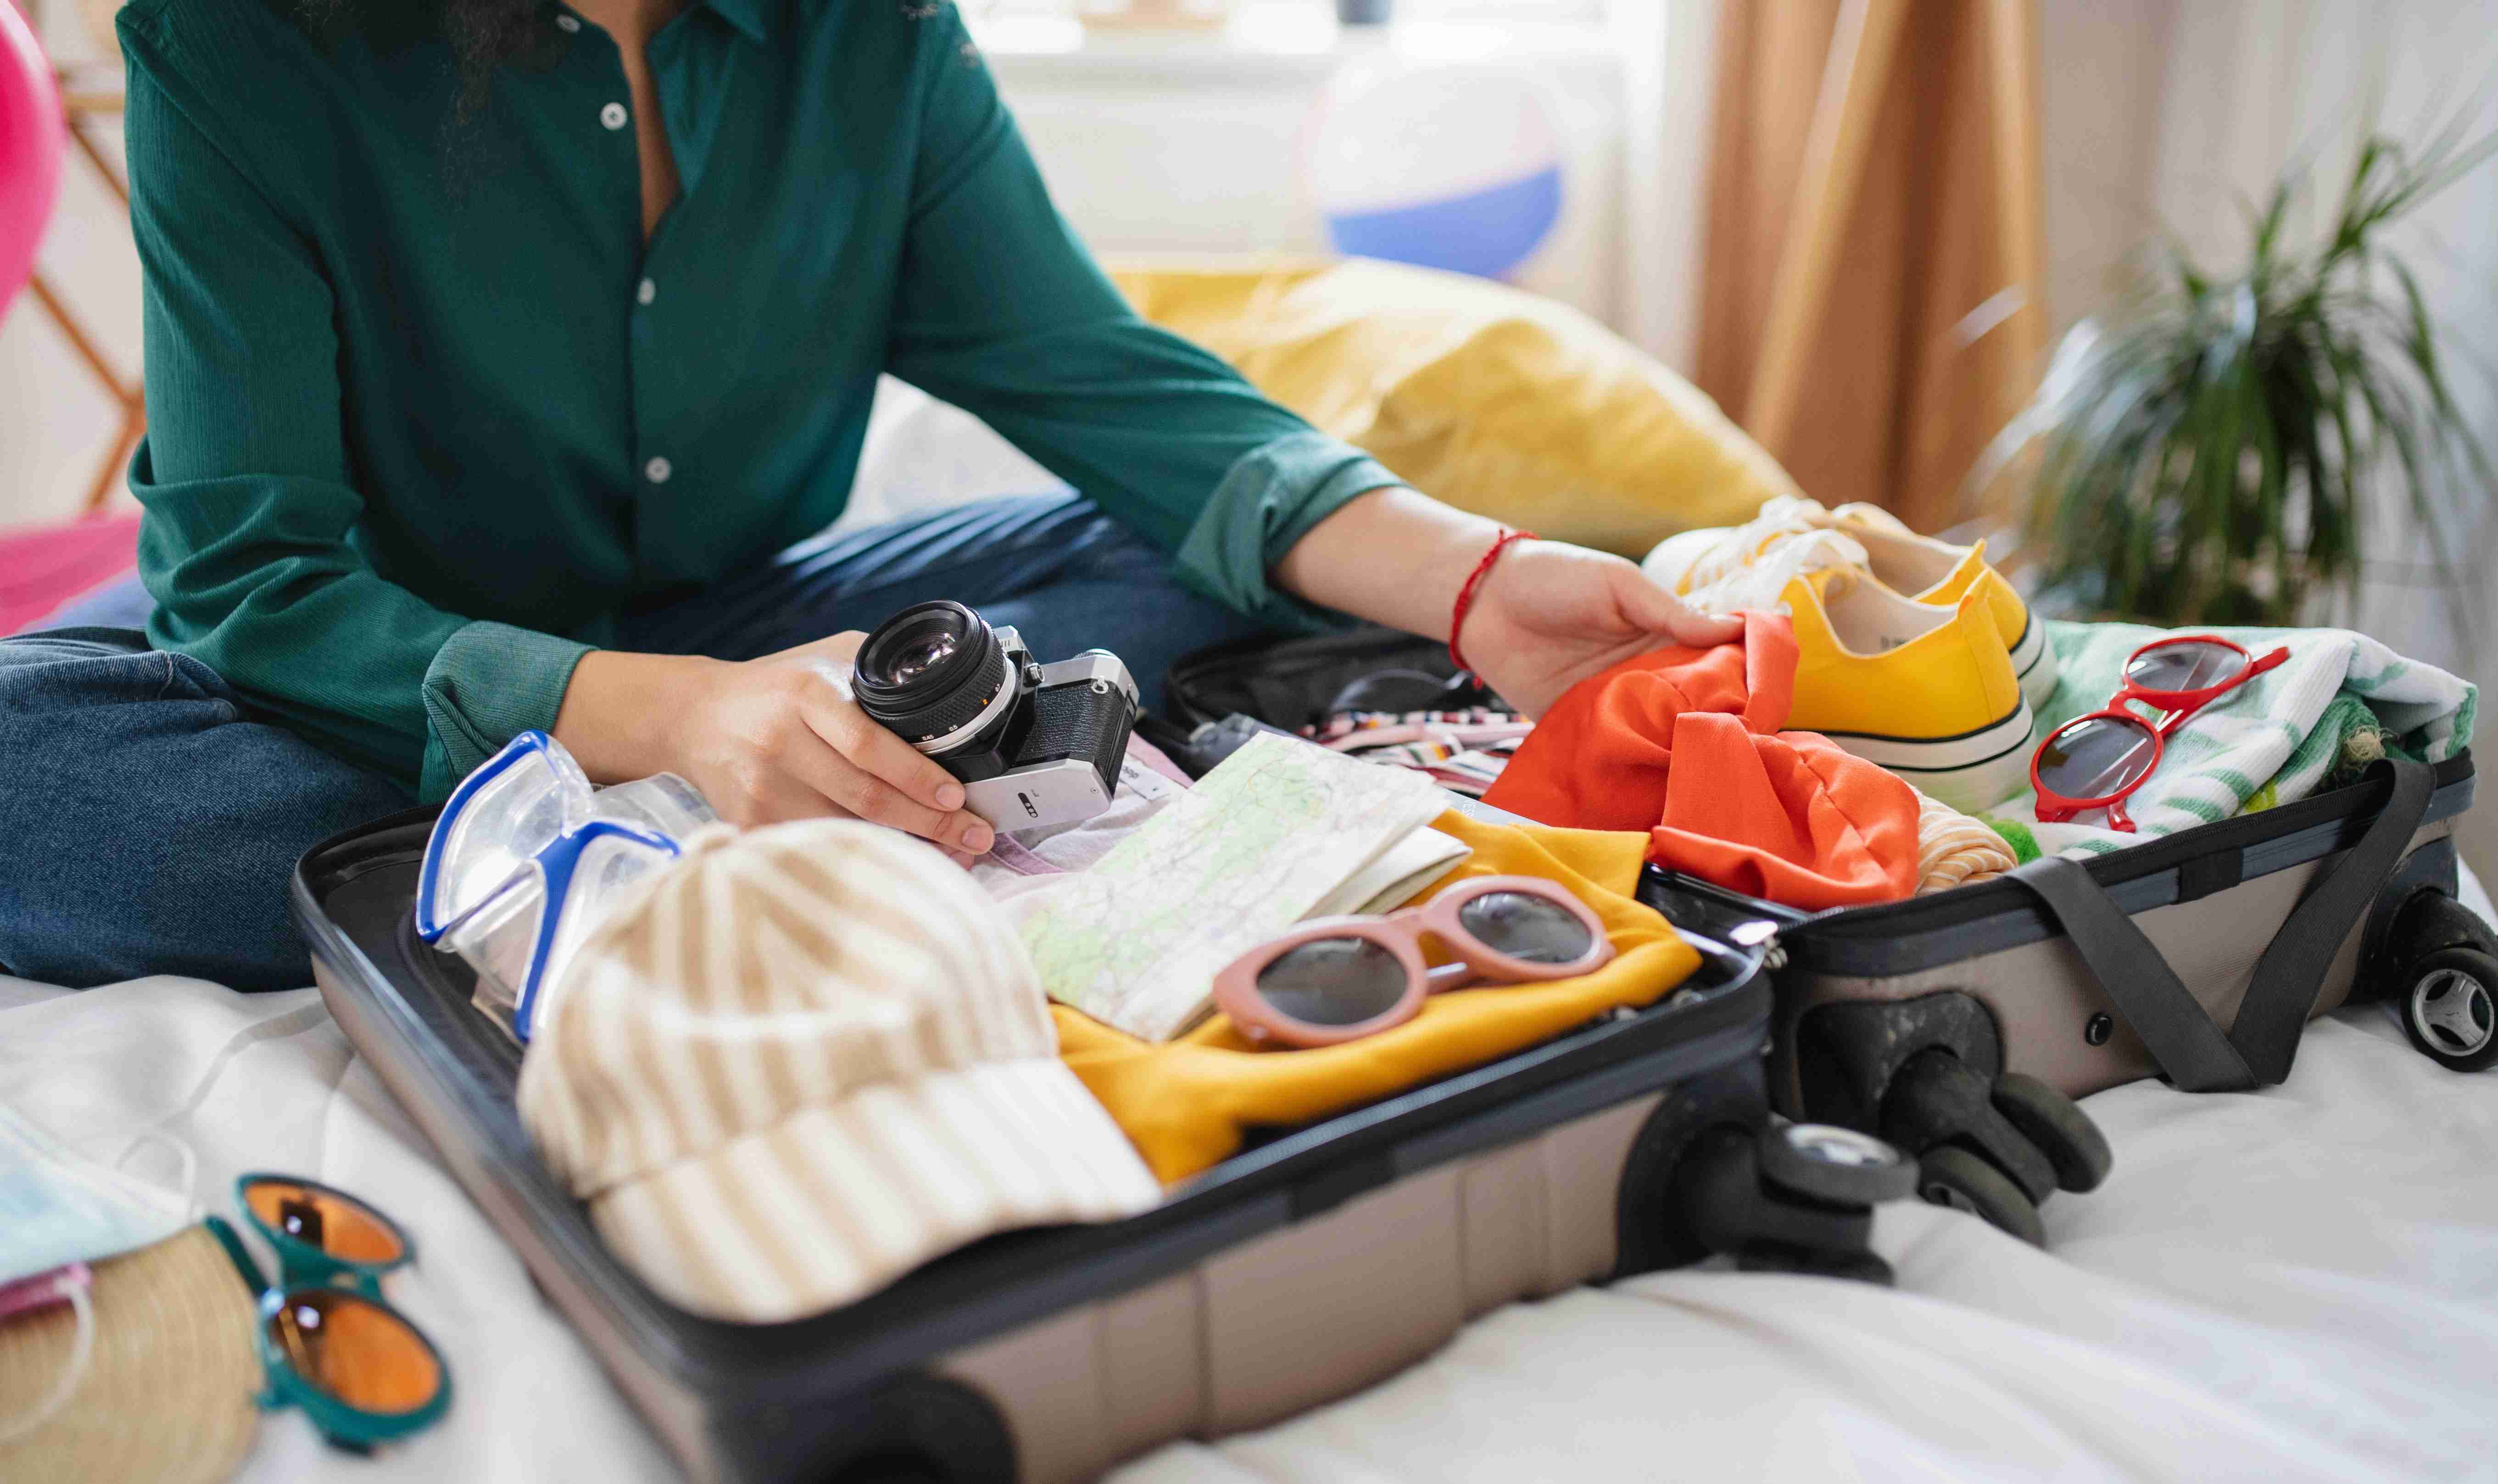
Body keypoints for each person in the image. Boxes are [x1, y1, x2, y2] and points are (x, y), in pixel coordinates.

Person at [0, 0, 1734, 991]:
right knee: (36, 778)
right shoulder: (237, 45)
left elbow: (1099, 380)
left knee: (1227, 573)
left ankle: (651, 843)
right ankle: (708, 818)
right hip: (372, 672)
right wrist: (677, 722)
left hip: (749, 629)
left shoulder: (877, 41)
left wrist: (1473, 578)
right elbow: (254, 585)